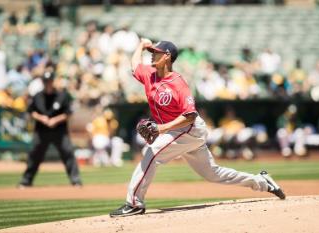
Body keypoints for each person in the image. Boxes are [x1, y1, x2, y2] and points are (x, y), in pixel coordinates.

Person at [109, 40, 285, 217]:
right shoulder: (149, 75)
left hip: (189, 129)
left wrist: (161, 129)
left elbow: (190, 115)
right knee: (212, 174)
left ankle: (134, 203)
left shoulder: (177, 83)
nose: (152, 54)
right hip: (177, 131)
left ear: (167, 56)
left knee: (152, 151)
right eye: (151, 51)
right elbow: (135, 66)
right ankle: (262, 182)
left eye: (156, 52)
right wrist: (141, 45)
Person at [18, 71, 82, 188]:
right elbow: (31, 111)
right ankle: (26, 181)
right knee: (34, 155)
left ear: (53, 82)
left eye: (50, 81)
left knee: (68, 153)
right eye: (46, 82)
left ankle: (76, 180)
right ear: (43, 82)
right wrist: (41, 118)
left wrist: (55, 120)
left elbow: (68, 113)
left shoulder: (62, 95)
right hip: (41, 131)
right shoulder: (37, 96)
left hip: (59, 131)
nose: (48, 84)